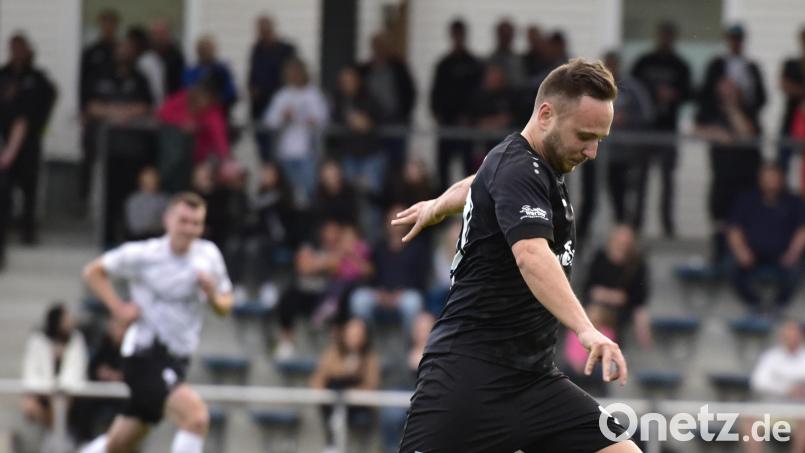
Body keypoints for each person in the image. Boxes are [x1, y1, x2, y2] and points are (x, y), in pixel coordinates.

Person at [391, 58, 638, 452]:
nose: (592, 151)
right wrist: (587, 329)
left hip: (533, 381)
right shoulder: (519, 167)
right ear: (546, 115)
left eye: (600, 140)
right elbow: (531, 255)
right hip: (468, 380)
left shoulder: (531, 167)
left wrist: (438, 205)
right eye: (585, 136)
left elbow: (481, 180)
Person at [79, 192, 234, 453]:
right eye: (183, 221)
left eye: (196, 223)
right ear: (168, 220)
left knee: (120, 444)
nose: (189, 229)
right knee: (195, 418)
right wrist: (119, 308)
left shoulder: (209, 255)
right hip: (145, 355)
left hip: (178, 359)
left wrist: (212, 295)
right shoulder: (145, 254)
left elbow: (225, 304)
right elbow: (93, 271)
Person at [631, 21, 692, 237]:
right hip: (646, 129)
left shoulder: (680, 65)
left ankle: (667, 225)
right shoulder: (644, 62)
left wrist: (673, 95)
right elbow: (631, 88)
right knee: (640, 179)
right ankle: (635, 224)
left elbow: (689, 93)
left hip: (667, 129)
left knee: (668, 181)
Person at [726, 164, 805, 314]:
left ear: (782, 179)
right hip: (751, 253)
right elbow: (734, 229)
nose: (769, 181)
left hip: (783, 254)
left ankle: (779, 305)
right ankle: (754, 304)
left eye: (773, 177)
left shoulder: (794, 202)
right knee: (729, 264)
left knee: (797, 266)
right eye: (766, 178)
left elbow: (803, 229)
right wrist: (741, 251)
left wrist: (793, 253)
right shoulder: (746, 200)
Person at [21, 303, 88, 448]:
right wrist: (47, 388)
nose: (70, 321)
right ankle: (58, 438)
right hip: (42, 391)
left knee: (60, 401)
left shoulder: (76, 339)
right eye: (66, 318)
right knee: (30, 405)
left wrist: (59, 388)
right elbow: (31, 370)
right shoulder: (38, 340)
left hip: (67, 393)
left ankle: (55, 440)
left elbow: (77, 370)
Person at [310, 318, 380, 453]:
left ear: (365, 337)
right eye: (351, 334)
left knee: (341, 388)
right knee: (335, 385)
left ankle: (335, 424)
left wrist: (350, 384)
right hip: (333, 398)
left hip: (358, 404)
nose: (354, 338)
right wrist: (345, 372)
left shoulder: (370, 357)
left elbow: (371, 385)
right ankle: (333, 435)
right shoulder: (333, 352)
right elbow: (319, 378)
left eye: (358, 334)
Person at [430, 19, 483, 191]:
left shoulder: (474, 65)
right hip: (447, 126)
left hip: (467, 128)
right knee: (443, 173)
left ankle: (471, 213)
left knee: (470, 174)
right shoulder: (444, 65)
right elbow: (435, 95)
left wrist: (471, 117)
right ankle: (442, 215)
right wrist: (438, 115)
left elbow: (479, 94)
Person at [746, 320, 805, 453]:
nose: (791, 338)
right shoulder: (771, 357)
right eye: (787, 335)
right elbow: (758, 382)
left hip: (799, 410)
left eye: (794, 334)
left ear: (801, 336)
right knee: (749, 418)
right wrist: (787, 389)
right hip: (771, 409)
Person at [248, 15, 296, 161]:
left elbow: (291, 77)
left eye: (265, 30)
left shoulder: (286, 49)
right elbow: (252, 75)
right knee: (264, 150)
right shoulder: (257, 50)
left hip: (280, 104)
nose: (263, 34)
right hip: (260, 107)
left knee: (280, 148)